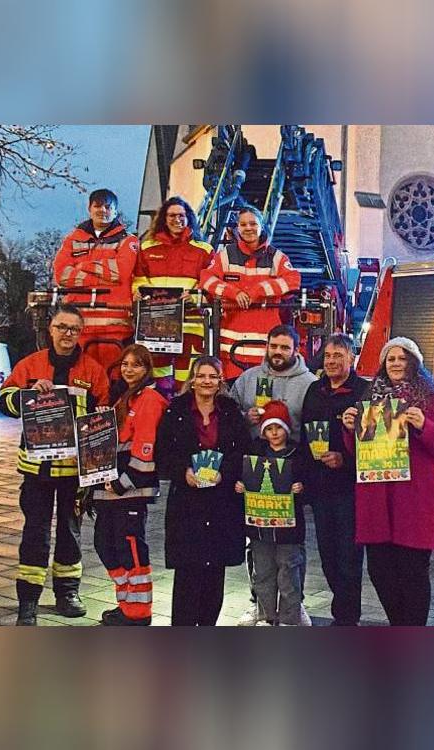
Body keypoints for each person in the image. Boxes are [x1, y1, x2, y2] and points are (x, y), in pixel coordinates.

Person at [0, 305, 109, 625]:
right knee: (36, 534)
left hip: (74, 472)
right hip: (36, 471)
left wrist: (96, 472)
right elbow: (4, 402)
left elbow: (101, 419)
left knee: (71, 533)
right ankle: (28, 601)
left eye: (74, 328)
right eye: (62, 327)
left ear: (80, 333)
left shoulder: (92, 370)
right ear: (51, 329)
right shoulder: (30, 365)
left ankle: (67, 593)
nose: (67, 333)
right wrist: (27, 395)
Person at [341, 336, 434, 626]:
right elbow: (359, 454)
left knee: (413, 575)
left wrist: (424, 425)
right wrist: (350, 430)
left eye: (402, 357)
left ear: (415, 362)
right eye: (390, 358)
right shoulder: (370, 399)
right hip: (378, 505)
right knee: (380, 573)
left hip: (416, 505)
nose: (396, 363)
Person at [227, 323, 316, 625]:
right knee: (261, 557)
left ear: (295, 350)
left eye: (284, 347)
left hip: (290, 477)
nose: (278, 352)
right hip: (257, 485)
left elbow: (316, 424)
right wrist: (243, 416)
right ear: (267, 346)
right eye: (273, 346)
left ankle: (294, 607)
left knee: (290, 559)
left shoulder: (309, 383)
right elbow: (227, 410)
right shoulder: (249, 378)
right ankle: (261, 605)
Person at [155, 356, 249, 626]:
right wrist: (183, 471)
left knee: (214, 571)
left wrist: (225, 473)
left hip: (221, 503)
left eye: (213, 376)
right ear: (192, 380)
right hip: (187, 502)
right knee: (187, 571)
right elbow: (164, 452)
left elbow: (241, 451)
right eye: (202, 375)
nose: (207, 381)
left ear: (221, 381)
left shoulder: (231, 411)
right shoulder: (176, 409)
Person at [93, 344, 167, 626]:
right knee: (105, 545)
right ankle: (126, 604)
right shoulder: (124, 397)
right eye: (125, 364)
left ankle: (138, 614)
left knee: (130, 549)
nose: (129, 369)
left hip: (130, 490)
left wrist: (124, 483)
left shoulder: (149, 399)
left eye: (136, 365)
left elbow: (145, 447)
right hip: (111, 488)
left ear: (147, 369)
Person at [301, 333, 369, 625]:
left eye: (338, 356)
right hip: (320, 488)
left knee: (349, 559)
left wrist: (346, 458)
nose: (331, 361)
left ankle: (347, 619)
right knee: (328, 557)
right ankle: (341, 612)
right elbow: (305, 436)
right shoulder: (315, 391)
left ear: (351, 359)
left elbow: (376, 443)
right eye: (328, 356)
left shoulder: (365, 392)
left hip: (350, 489)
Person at [198, 204, 301, 380]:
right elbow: (206, 279)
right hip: (230, 355)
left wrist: (258, 291)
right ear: (237, 228)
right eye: (243, 225)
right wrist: (233, 293)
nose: (248, 228)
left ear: (261, 226)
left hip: (264, 355)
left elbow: (293, 280)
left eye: (253, 224)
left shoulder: (276, 257)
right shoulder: (225, 255)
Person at [234, 401, 312, 626]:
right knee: (263, 573)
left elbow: (310, 481)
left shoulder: (298, 453)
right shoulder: (254, 452)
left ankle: (290, 617)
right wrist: (242, 487)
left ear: (287, 429)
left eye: (278, 428)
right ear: (263, 431)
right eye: (269, 428)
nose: (274, 433)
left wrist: (301, 488)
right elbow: (246, 477)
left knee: (289, 573)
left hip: (290, 529)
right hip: (259, 528)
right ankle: (267, 615)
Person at [53, 188, 139, 380]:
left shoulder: (128, 240)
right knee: (79, 382)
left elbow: (121, 272)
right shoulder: (73, 240)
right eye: (98, 206)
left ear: (116, 211)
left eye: (108, 207)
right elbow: (62, 275)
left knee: (114, 383)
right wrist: (105, 275)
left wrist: (82, 266)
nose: (103, 210)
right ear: (89, 209)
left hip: (115, 329)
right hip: (78, 328)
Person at [133, 197, 214, 399]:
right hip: (156, 329)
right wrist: (139, 293)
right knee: (159, 383)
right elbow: (138, 280)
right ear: (163, 218)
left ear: (189, 218)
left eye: (181, 215)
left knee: (186, 384)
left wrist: (195, 297)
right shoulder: (147, 248)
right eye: (171, 215)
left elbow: (211, 284)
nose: (176, 219)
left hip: (191, 327)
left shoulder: (204, 250)